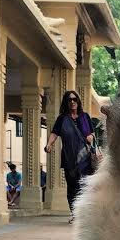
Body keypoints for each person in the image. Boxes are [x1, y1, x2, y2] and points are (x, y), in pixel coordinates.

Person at [45, 91, 95, 222]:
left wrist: (90, 137)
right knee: (72, 186)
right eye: (69, 100)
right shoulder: (62, 118)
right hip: (69, 158)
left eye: (74, 99)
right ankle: (75, 214)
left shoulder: (85, 117)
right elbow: (55, 133)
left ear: (78, 101)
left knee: (84, 186)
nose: (72, 102)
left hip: (85, 158)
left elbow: (92, 134)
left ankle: (85, 214)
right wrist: (49, 144)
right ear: (66, 103)